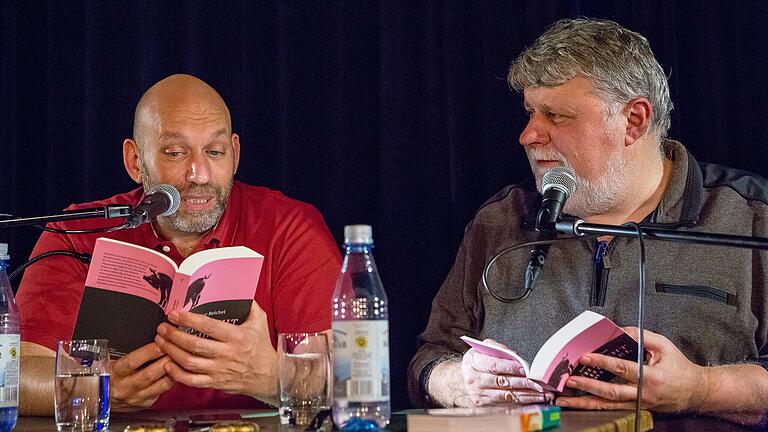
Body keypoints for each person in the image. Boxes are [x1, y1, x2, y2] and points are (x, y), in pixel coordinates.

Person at [408, 18, 768, 424]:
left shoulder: (751, 219)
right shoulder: (500, 221)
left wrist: (701, 389)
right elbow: (430, 358)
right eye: (529, 113)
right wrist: (457, 383)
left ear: (634, 121)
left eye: (556, 116)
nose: (528, 135)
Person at [16, 74, 341, 414]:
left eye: (215, 152)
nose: (199, 174)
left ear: (235, 153)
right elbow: (16, 374)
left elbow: (348, 377)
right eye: (175, 152)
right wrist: (96, 389)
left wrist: (271, 377)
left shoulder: (290, 227)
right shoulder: (77, 231)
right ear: (135, 161)